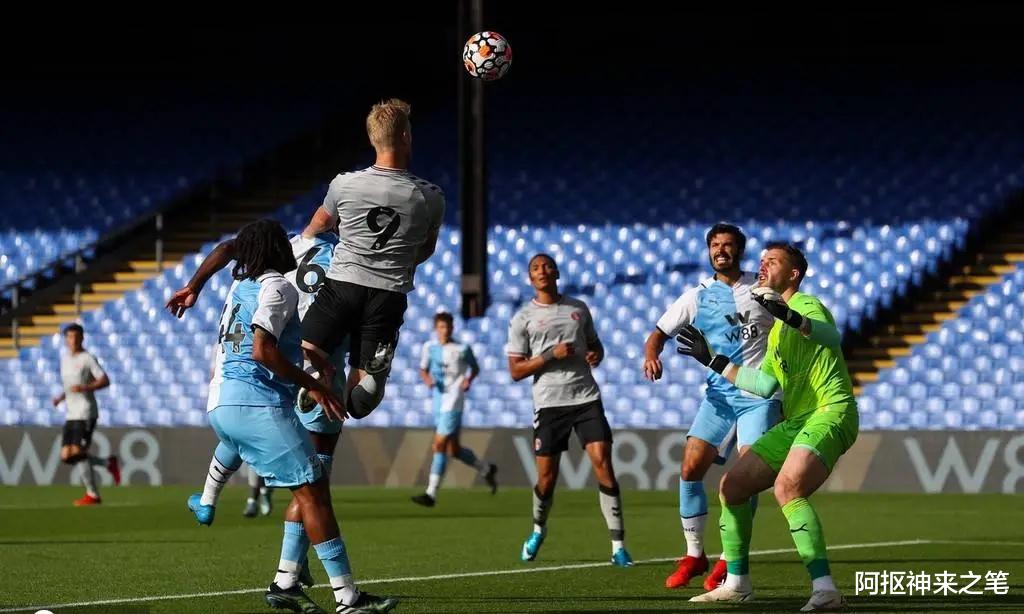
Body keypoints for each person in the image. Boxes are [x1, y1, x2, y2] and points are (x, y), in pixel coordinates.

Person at [174, 219, 397, 613]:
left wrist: (194, 286)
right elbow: (263, 350)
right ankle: (346, 599)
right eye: (282, 242)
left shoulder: (240, 285)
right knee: (315, 493)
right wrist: (315, 383)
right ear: (275, 250)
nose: (290, 246)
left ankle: (278, 573)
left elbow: (228, 249)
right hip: (258, 402)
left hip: (223, 400)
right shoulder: (280, 286)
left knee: (301, 486)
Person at [678, 242, 858, 611]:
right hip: (798, 420)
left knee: (788, 487)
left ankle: (825, 590)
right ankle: (737, 583)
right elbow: (764, 385)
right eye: (761, 261)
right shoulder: (775, 332)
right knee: (732, 486)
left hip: (831, 410)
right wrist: (712, 360)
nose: (762, 266)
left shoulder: (806, 305)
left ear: (793, 274)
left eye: (772, 261)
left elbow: (830, 336)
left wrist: (791, 316)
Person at [641, 223, 780, 589]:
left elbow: (793, 326)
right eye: (715, 245)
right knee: (689, 468)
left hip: (758, 399)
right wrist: (652, 355)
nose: (721, 250)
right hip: (718, 399)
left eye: (728, 245)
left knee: (745, 478)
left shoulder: (762, 290)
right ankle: (694, 554)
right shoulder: (696, 296)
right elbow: (657, 334)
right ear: (708, 251)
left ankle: (730, 559)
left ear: (740, 251)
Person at [298, 98, 445, 423]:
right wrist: (399, 262)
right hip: (388, 295)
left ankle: (317, 375)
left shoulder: (344, 183)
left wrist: (303, 244)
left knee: (304, 351)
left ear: (371, 138)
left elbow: (317, 226)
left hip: (342, 286)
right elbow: (426, 249)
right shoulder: (431, 197)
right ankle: (375, 377)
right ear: (406, 136)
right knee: (359, 403)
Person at [506, 253, 632, 567]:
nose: (542, 271)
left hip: (586, 397)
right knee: (547, 479)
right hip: (549, 403)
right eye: (536, 268)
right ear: (530, 278)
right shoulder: (523, 318)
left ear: (557, 272)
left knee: (603, 462)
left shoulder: (578, 308)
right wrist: (551, 355)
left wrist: (596, 354)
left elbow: (595, 345)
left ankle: (618, 547)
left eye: (547, 266)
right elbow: (516, 370)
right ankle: (538, 529)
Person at [411, 311, 497, 507]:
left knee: (439, 444)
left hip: (454, 400)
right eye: (442, 327)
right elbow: (423, 369)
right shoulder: (429, 347)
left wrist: (468, 380)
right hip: (438, 401)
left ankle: (431, 493)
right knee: (454, 449)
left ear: (453, 327)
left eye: (448, 326)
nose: (445, 330)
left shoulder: (462, 349)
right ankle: (486, 469)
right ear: (436, 328)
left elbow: (475, 368)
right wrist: (427, 379)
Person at [52, 323, 119, 506]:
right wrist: (61, 397)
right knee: (66, 455)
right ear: (66, 340)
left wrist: (85, 388)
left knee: (78, 452)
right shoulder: (65, 359)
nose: (73, 340)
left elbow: (105, 380)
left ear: (82, 338)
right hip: (71, 413)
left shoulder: (88, 358)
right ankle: (107, 464)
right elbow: (70, 386)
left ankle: (93, 495)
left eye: (76, 337)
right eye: (70, 337)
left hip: (86, 411)